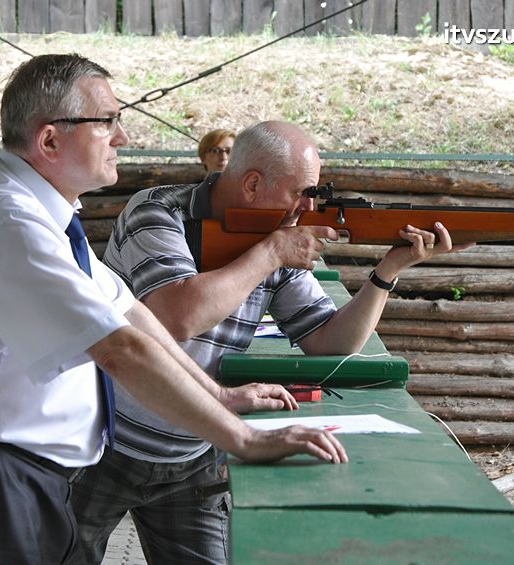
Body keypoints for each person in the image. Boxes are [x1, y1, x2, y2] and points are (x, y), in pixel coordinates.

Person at [0, 56, 347, 565]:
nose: (121, 136)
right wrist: (243, 440)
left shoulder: (44, 212)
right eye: (106, 121)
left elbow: (131, 314)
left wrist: (218, 394)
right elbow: (121, 349)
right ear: (49, 141)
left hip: (17, 471)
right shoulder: (11, 220)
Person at [69, 121, 471, 564]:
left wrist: (388, 271)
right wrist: (272, 253)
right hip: (101, 446)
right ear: (253, 184)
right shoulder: (159, 211)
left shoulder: (276, 236)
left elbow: (330, 343)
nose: (309, 206)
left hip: (195, 451)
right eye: (303, 191)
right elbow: (177, 317)